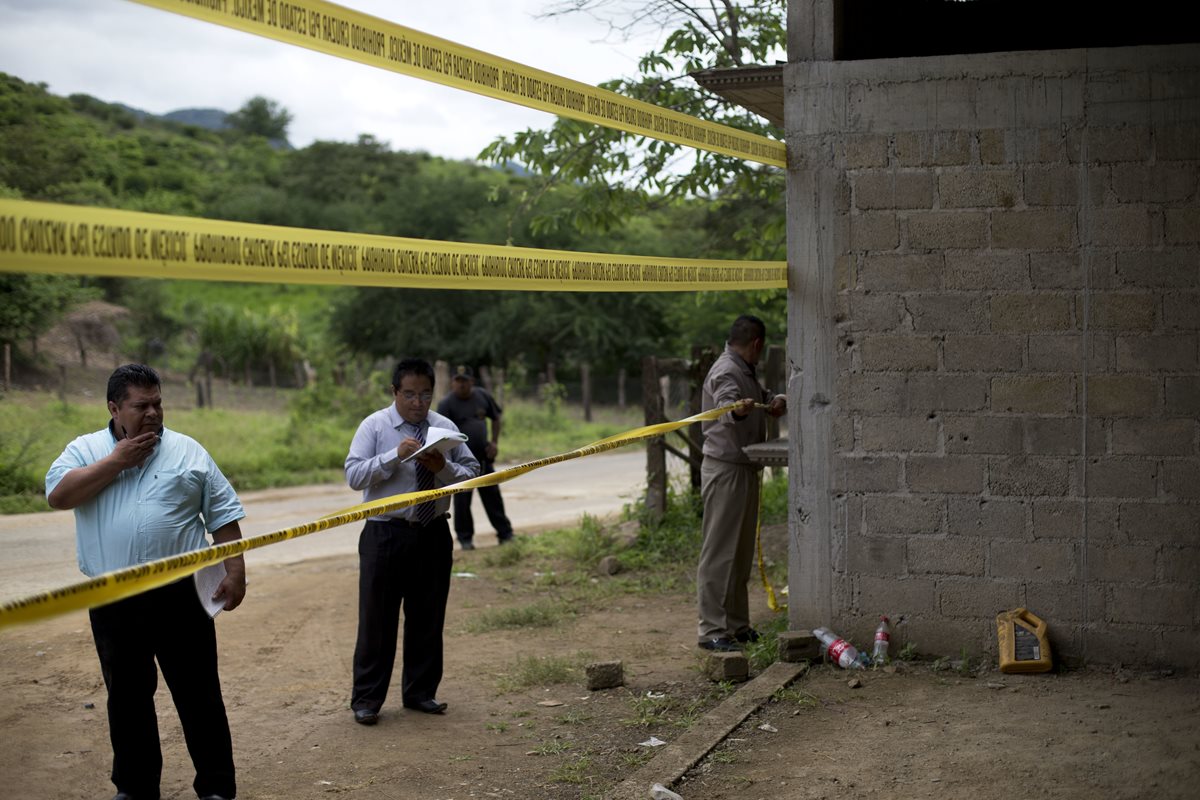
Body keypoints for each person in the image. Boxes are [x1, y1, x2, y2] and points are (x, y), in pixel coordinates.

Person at [45, 364, 247, 800]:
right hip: (112, 594)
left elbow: (224, 515)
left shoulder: (189, 451)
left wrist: (235, 571)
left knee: (199, 694)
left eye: (157, 403)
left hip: (182, 595)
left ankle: (216, 787)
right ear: (115, 408)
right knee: (127, 697)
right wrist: (116, 462)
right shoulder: (85, 450)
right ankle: (135, 788)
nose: (153, 413)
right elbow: (59, 495)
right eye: (142, 406)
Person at [344, 358, 479, 725]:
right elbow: (354, 475)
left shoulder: (445, 428)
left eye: (425, 394)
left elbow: (472, 474)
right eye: (409, 394)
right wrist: (392, 457)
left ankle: (421, 693)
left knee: (428, 616)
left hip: (432, 532)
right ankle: (367, 699)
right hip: (385, 533)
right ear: (394, 392)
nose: (418, 402)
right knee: (377, 619)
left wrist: (443, 469)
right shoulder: (375, 426)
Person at [696, 315, 787, 652]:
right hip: (726, 470)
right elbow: (726, 407)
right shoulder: (726, 371)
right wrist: (737, 412)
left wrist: (772, 400)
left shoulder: (744, 369)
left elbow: (757, 395)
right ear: (757, 344)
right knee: (720, 551)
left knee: (741, 551)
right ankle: (711, 630)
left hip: (744, 468)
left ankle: (737, 624)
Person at [436, 365, 514, 549]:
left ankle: (506, 534)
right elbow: (440, 434)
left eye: (465, 381)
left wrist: (494, 442)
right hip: (460, 463)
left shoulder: (482, 396)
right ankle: (465, 539)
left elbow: (495, 417)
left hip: (484, 458)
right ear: (453, 382)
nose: (461, 385)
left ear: (472, 382)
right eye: (458, 381)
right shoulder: (446, 404)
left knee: (493, 497)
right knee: (462, 502)